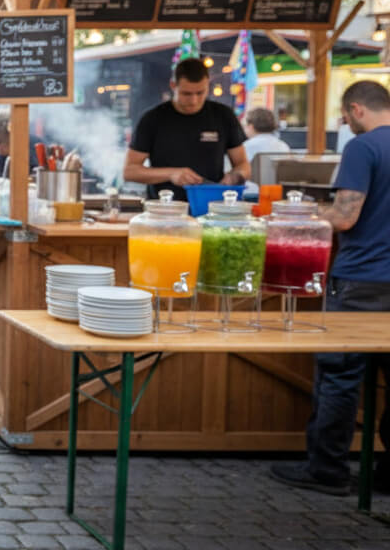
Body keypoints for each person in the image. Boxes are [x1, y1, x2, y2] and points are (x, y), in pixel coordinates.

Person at [270, 81, 390, 496]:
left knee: (340, 374)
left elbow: (344, 218)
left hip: (362, 281)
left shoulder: (363, 147)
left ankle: (327, 469)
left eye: (344, 116)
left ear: (356, 109)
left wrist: (302, 212)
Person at [122, 58, 249, 197]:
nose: (194, 101)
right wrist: (171, 174)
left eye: (200, 93)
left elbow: (243, 165)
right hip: (164, 209)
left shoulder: (224, 115)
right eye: (186, 94)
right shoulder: (152, 119)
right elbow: (130, 171)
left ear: (208, 85)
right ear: (173, 85)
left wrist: (234, 177)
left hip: (211, 205)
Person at [241, 106, 291, 194]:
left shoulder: (247, 146)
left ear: (251, 126)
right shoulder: (283, 146)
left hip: (251, 194)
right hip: (278, 193)